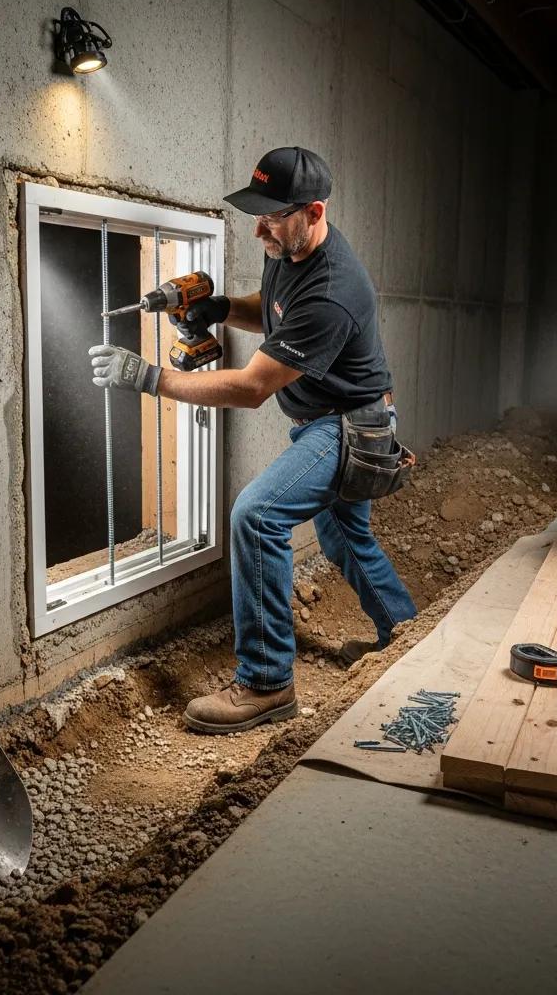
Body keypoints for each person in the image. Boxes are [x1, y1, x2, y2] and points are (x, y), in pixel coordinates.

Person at [89, 146, 416, 733]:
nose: (259, 229)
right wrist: (218, 308)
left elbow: (250, 387)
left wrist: (149, 378)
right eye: (256, 214)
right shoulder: (289, 249)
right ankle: (409, 638)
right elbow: (274, 311)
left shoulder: (333, 290)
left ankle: (267, 684)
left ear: (313, 212)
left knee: (256, 514)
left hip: (350, 426)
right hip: (334, 417)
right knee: (345, 536)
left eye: (272, 217)